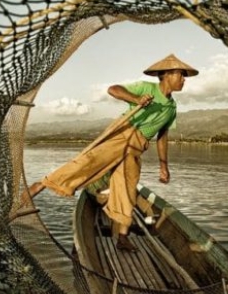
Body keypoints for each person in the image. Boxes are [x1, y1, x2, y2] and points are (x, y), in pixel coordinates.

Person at [25, 53, 198, 252]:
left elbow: (162, 136)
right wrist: (136, 99)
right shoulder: (147, 88)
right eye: (180, 75)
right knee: (86, 163)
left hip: (136, 147)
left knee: (127, 189)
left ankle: (122, 238)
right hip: (121, 135)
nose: (183, 80)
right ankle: (41, 185)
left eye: (184, 76)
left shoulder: (172, 107)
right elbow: (113, 89)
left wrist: (163, 166)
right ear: (166, 75)